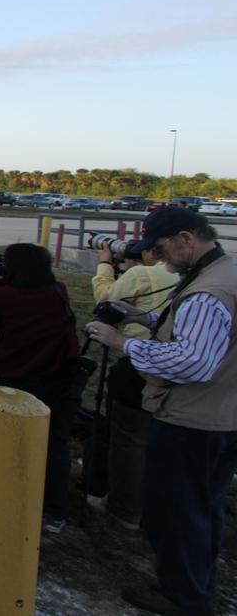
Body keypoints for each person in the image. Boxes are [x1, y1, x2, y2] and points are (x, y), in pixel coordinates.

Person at [87, 208, 237, 616]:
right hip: (222, 414)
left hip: (192, 419)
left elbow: (193, 362)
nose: (159, 258)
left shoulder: (208, 291)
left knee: (176, 511)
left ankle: (182, 597)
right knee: (204, 507)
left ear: (186, 239)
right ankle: (194, 585)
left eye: (160, 248)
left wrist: (123, 342)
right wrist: (148, 318)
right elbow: (206, 336)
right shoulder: (226, 272)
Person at [0, 243, 78, 534]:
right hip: (61, 375)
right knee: (56, 444)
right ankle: (54, 510)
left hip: (19, 377)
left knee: (15, 442)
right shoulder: (57, 290)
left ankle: (13, 498)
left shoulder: (4, 296)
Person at [88, 241, 177, 529]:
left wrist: (105, 263)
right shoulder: (194, 277)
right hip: (181, 372)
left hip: (140, 362)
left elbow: (105, 301)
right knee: (164, 437)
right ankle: (161, 501)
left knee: (129, 438)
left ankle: (125, 508)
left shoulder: (143, 276)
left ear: (153, 252)